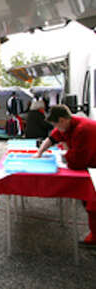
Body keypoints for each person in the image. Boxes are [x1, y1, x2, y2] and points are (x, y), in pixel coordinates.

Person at [35, 105, 96, 247]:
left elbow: (77, 162)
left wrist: (66, 153)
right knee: (89, 202)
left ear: (62, 120)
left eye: (55, 123)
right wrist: (40, 152)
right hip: (90, 165)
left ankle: (94, 240)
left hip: (93, 167)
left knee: (93, 205)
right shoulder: (68, 125)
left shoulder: (83, 129)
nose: (55, 127)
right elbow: (52, 137)